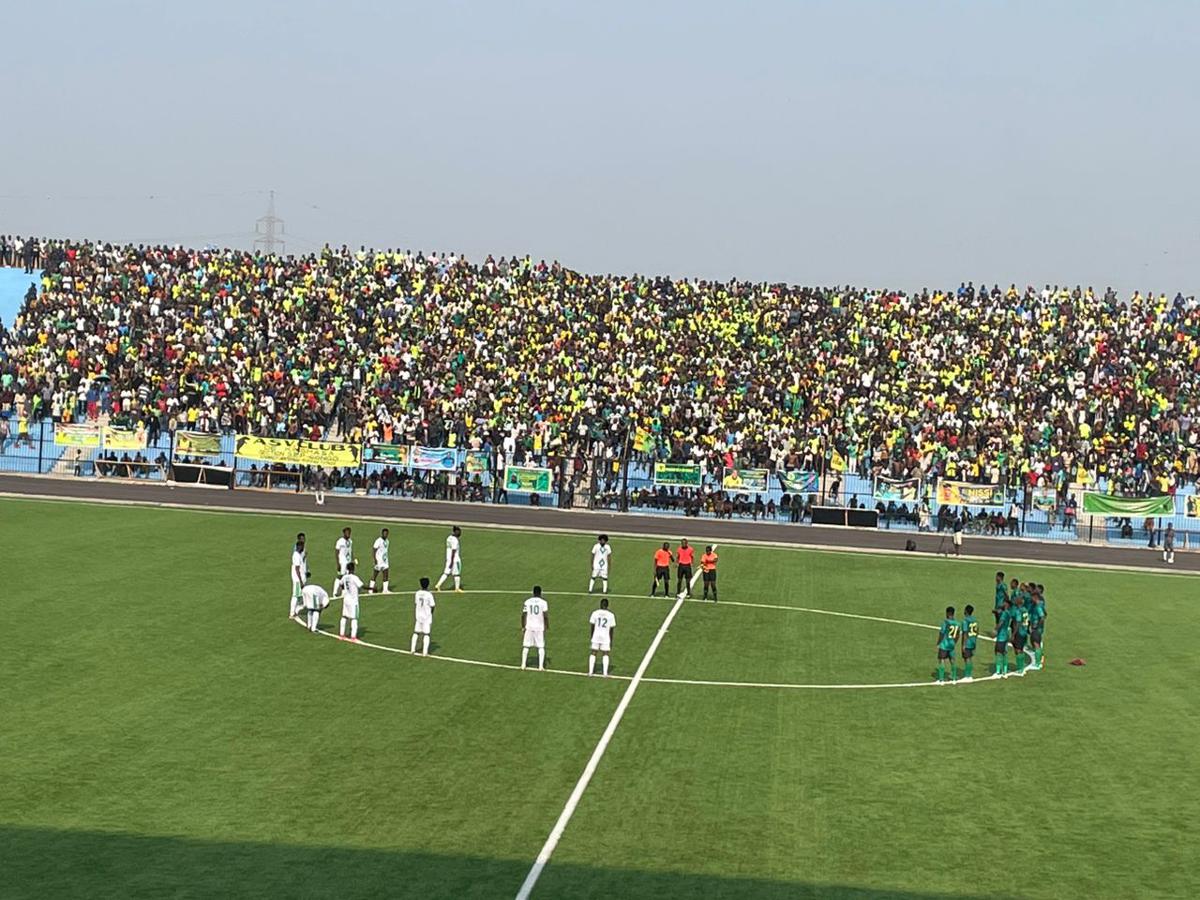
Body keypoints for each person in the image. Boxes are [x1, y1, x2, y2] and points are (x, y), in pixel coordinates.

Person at [521, 586, 549, 671]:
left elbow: (523, 615)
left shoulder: (527, 601)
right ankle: (540, 666)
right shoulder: (543, 602)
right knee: (541, 646)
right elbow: (545, 616)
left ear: (533, 592)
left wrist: (523, 626)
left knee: (526, 646)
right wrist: (546, 625)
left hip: (529, 626)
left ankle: (523, 665)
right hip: (539, 627)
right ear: (540, 593)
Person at [588, 597, 616, 677]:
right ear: (607, 605)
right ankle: (605, 673)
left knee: (593, 652)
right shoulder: (611, 615)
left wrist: (592, 636)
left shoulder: (595, 613)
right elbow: (611, 629)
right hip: (605, 636)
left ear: (600, 605)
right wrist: (611, 640)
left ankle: (590, 672)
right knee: (605, 653)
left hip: (596, 635)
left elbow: (592, 626)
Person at [337, 561, 364, 641]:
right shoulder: (354, 577)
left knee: (344, 616)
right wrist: (372, 588)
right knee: (354, 618)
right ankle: (353, 637)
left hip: (346, 599)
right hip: (353, 601)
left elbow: (341, 584)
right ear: (353, 569)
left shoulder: (345, 577)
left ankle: (341, 635)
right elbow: (362, 586)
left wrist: (344, 590)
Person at [935, 606, 960, 684]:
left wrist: (938, 643)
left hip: (944, 644)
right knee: (952, 660)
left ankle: (941, 679)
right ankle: (954, 678)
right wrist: (954, 642)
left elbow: (942, 634)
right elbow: (958, 635)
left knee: (941, 660)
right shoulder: (957, 623)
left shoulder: (946, 622)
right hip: (951, 645)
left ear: (948, 613)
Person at [411, 576, 435, 656]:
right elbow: (432, 605)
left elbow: (416, 603)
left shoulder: (417, 593)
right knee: (426, 634)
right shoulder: (429, 594)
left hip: (418, 616)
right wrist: (431, 613)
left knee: (416, 632)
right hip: (426, 616)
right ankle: (425, 652)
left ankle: (412, 649)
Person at [435, 525, 463, 592]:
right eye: (459, 532)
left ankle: (438, 585)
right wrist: (452, 561)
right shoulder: (455, 540)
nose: (460, 533)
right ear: (455, 531)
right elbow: (454, 550)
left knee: (446, 573)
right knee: (457, 574)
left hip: (448, 558)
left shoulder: (449, 538)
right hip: (455, 559)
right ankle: (457, 588)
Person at [1010, 593, 1030, 675]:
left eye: (1016, 600)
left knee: (1018, 650)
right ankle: (1021, 667)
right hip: (1024, 632)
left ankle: (1020, 668)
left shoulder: (1018, 611)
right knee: (1021, 649)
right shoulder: (1025, 610)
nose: (1014, 600)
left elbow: (1018, 623)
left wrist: (1013, 634)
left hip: (1019, 632)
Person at [289, 532, 307, 618]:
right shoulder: (296, 555)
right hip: (297, 579)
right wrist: (300, 581)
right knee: (295, 595)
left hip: (301, 577)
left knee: (300, 594)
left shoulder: (299, 554)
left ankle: (297, 608)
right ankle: (292, 613)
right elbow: (297, 569)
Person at [333, 527, 353, 598]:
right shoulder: (340, 541)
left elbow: (350, 551)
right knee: (340, 576)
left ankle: (344, 592)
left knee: (347, 576)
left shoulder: (350, 541)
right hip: (342, 561)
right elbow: (336, 552)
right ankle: (335, 592)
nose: (348, 534)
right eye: (347, 533)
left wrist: (352, 560)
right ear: (344, 533)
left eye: (349, 533)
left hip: (348, 561)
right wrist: (338, 563)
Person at [993, 599, 1012, 677]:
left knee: (998, 652)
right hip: (1006, 634)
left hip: (1001, 635)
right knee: (1004, 652)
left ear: (1007, 604)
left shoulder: (1004, 613)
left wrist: (995, 629)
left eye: (1004, 602)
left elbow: (1001, 622)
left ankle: (998, 671)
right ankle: (1005, 671)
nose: (1003, 603)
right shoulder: (1008, 613)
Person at [960, 604, 978, 682]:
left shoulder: (965, 621)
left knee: (967, 659)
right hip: (973, 641)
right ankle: (969, 675)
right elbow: (977, 632)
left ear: (966, 611)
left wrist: (963, 645)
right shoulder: (975, 620)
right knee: (969, 658)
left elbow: (965, 633)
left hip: (968, 642)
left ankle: (968, 676)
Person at [370, 527, 390, 593]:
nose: (385, 535)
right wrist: (375, 559)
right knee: (375, 575)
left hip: (385, 561)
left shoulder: (387, 541)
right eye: (384, 533)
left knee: (386, 574)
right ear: (382, 533)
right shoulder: (378, 541)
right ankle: (370, 590)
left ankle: (385, 590)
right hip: (379, 561)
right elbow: (374, 550)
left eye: (386, 534)